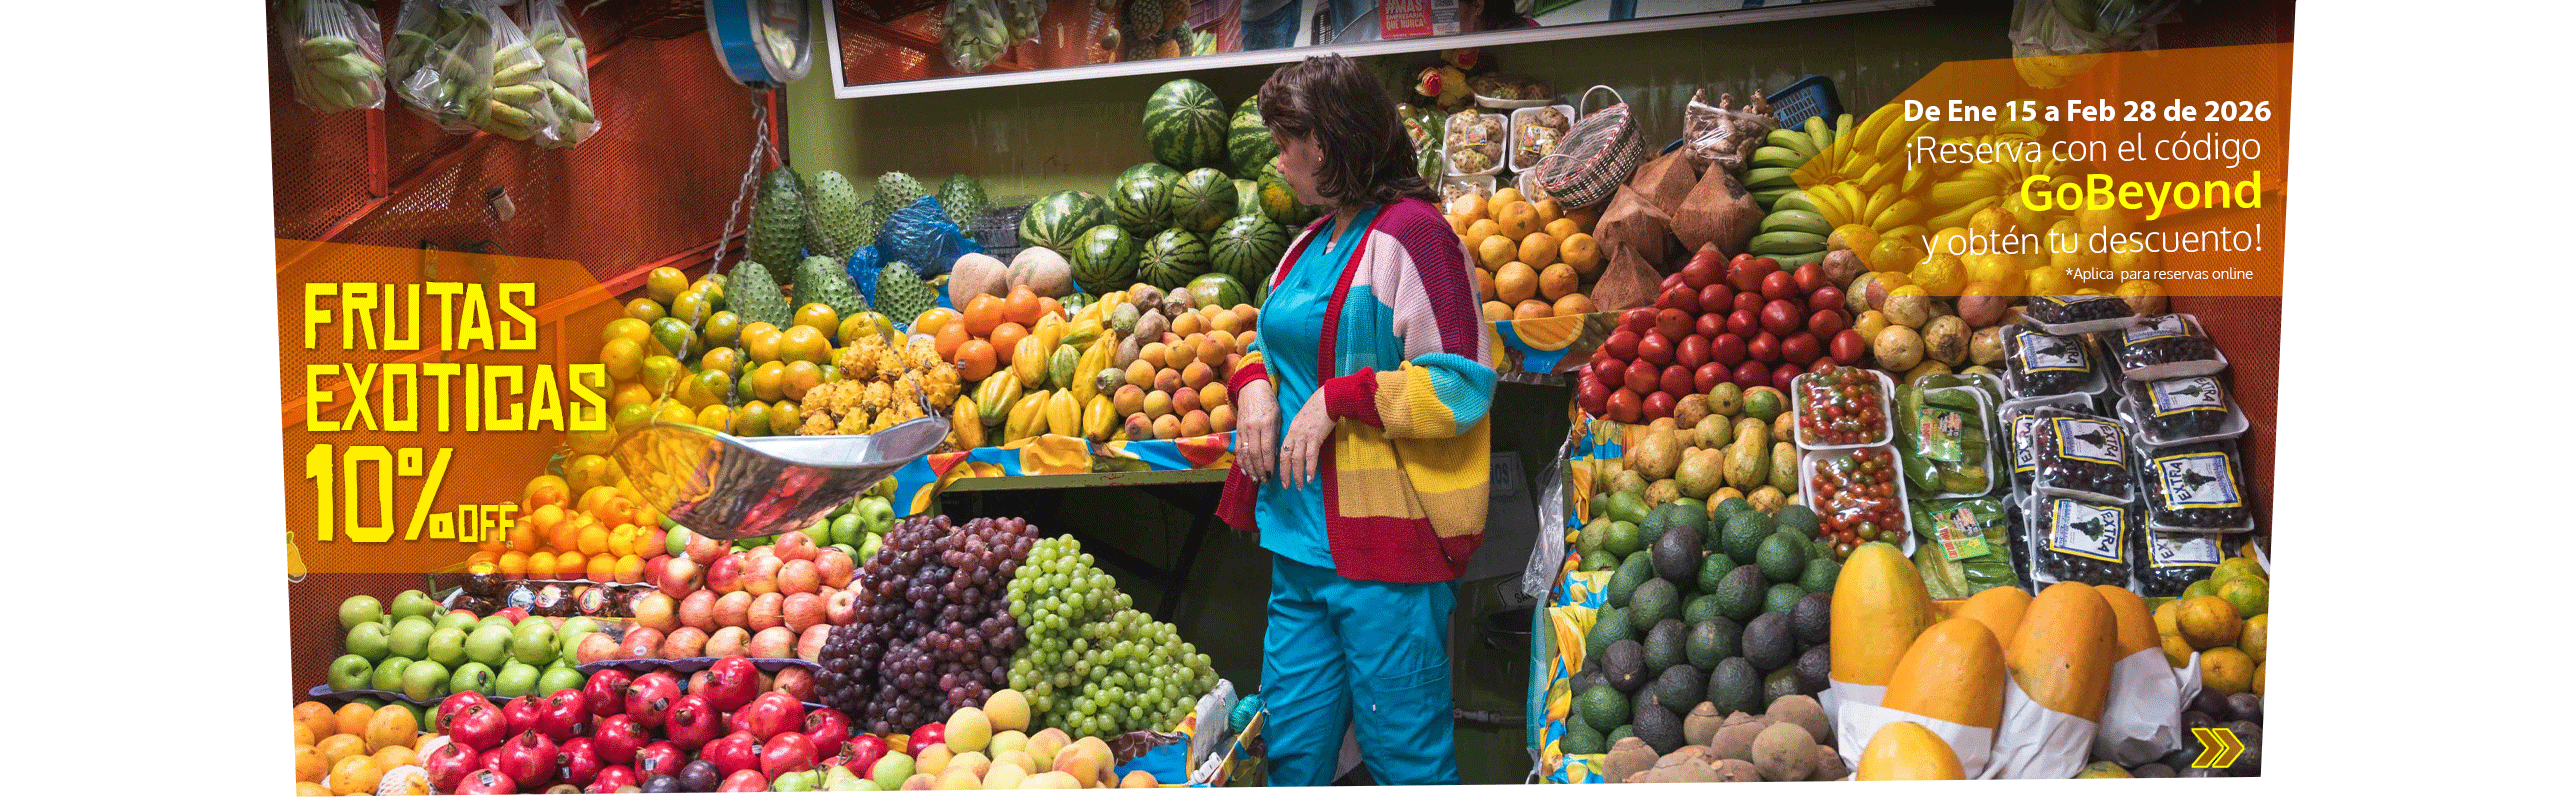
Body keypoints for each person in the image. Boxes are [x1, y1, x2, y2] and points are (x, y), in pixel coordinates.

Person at [1215, 53, 1496, 787]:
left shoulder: (1414, 237)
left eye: (1286, 143)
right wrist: (1253, 389)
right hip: (1299, 545)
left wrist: (1339, 400)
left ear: (1330, 140)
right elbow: (1265, 344)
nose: (1278, 163)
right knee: (1296, 759)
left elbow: (1461, 385)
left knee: (1405, 759)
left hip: (1385, 553)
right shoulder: (1310, 243)